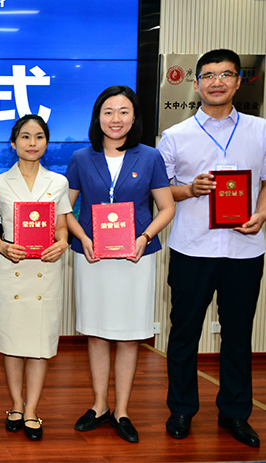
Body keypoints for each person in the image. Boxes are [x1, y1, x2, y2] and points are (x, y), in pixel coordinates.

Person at [157, 49, 266, 448]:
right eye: (209, 75)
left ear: (238, 81)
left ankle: (234, 413)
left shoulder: (260, 129)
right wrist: (189, 189)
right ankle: (181, 409)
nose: (217, 82)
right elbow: (160, 192)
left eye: (226, 74)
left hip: (244, 250)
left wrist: (261, 215)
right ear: (196, 84)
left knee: (238, 334)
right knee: (184, 333)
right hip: (191, 249)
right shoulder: (175, 135)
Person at [65, 85, 175, 443]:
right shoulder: (81, 158)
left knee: (129, 335)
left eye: (124, 111)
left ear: (134, 117)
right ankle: (99, 406)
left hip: (135, 257)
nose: (116, 119)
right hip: (93, 256)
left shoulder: (150, 157)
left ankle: (122, 410)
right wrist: (82, 238)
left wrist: (145, 237)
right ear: (98, 117)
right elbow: (66, 208)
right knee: (96, 332)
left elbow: (167, 207)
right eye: (109, 111)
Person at [0, 114, 72, 441]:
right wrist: (1, 246)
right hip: (12, 267)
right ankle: (15, 405)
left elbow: (62, 225)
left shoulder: (58, 182)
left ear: (46, 142)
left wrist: (62, 243)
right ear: (13, 143)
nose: (32, 143)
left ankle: (33, 408)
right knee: (11, 342)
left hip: (45, 269)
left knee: (39, 343)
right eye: (25, 136)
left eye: (39, 137)